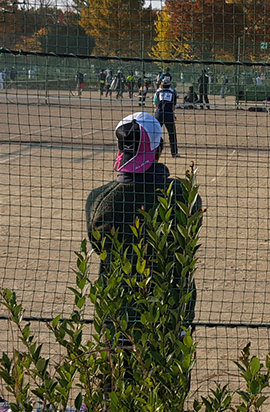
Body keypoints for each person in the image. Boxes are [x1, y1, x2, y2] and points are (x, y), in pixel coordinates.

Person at [85, 113, 201, 397]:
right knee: (166, 394)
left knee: (116, 393)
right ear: (158, 149)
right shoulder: (183, 195)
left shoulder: (99, 199)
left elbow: (99, 247)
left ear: (120, 149)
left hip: (118, 317)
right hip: (170, 314)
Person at [153, 77, 180, 158]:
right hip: (169, 114)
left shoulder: (157, 93)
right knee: (172, 134)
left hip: (159, 114)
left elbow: (155, 104)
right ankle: (174, 153)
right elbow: (173, 106)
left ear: (161, 85)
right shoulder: (173, 93)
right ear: (170, 85)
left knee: (155, 133)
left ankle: (153, 152)